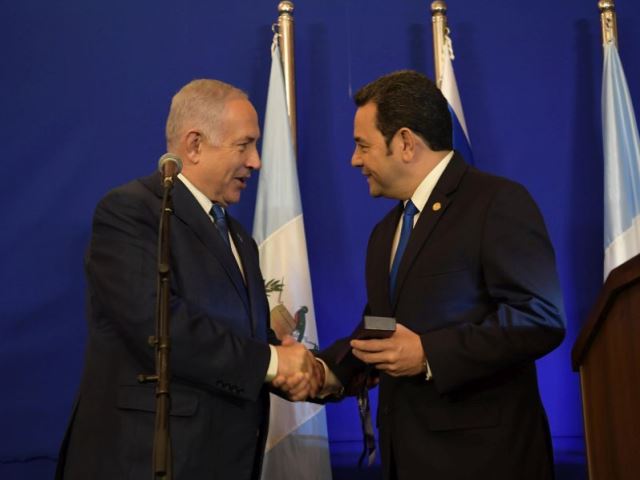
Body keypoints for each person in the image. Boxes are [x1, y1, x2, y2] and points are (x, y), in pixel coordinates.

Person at [55, 79, 317, 479]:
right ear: (194, 145)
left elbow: (242, 341)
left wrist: (299, 369)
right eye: (244, 145)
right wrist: (271, 361)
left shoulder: (239, 237)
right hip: (145, 460)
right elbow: (158, 325)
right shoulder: (131, 213)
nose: (256, 161)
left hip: (222, 459)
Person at [314, 70, 566, 479]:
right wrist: (325, 370)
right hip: (406, 457)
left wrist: (430, 354)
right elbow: (381, 326)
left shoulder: (497, 203)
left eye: (363, 145)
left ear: (406, 143)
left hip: (484, 462)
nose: (354, 159)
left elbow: (539, 317)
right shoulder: (385, 233)